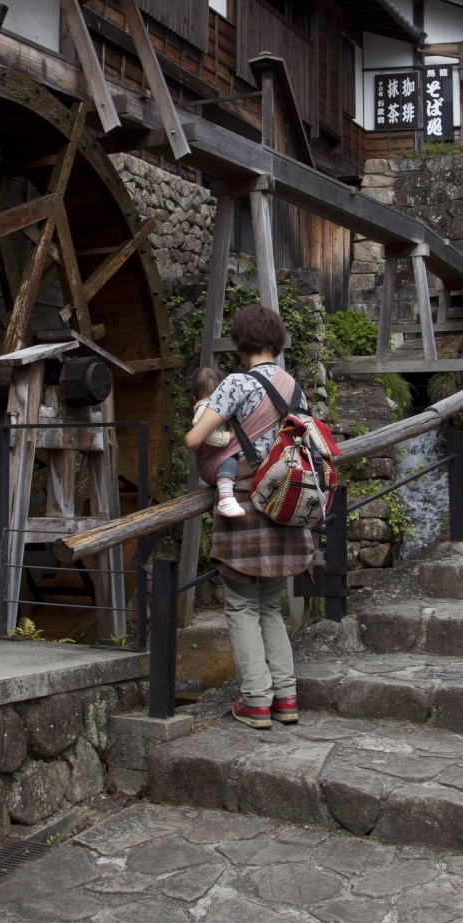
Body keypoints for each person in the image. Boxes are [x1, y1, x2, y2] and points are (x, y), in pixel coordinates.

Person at [184, 303, 312, 730]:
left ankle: (256, 702)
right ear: (275, 341)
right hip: (283, 505)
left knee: (241, 605)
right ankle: (286, 698)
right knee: (270, 606)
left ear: (240, 344)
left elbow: (195, 439)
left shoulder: (236, 383)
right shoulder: (296, 388)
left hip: (244, 503)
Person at [190, 365, 243, 517]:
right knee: (230, 462)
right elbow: (204, 435)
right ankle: (225, 498)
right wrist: (228, 437)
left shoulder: (214, 407)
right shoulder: (204, 408)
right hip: (213, 463)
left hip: (215, 460)